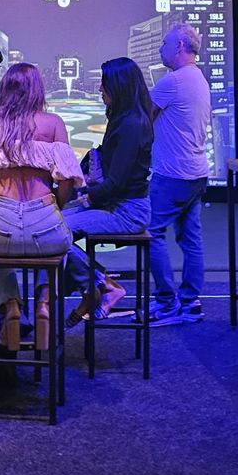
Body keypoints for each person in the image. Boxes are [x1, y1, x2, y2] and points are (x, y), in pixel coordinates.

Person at [0, 62, 82, 351]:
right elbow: (68, 179)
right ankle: (44, 302)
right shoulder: (54, 123)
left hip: (1, 222)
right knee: (60, 244)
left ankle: (10, 305)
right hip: (44, 217)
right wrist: (56, 205)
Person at [62, 57, 154, 325]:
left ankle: (103, 286)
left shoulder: (132, 125)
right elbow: (106, 159)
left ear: (119, 86)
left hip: (128, 211)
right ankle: (92, 289)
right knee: (50, 224)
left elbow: (117, 182)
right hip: (117, 204)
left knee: (54, 231)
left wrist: (88, 197)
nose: (99, 89)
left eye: (104, 84)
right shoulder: (124, 118)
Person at [147, 22, 213, 325]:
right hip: (197, 173)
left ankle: (167, 303)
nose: (160, 49)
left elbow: (143, 117)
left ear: (178, 47)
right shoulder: (199, 78)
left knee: (152, 234)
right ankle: (190, 302)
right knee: (191, 238)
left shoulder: (171, 82)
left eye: (164, 44)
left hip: (171, 174)